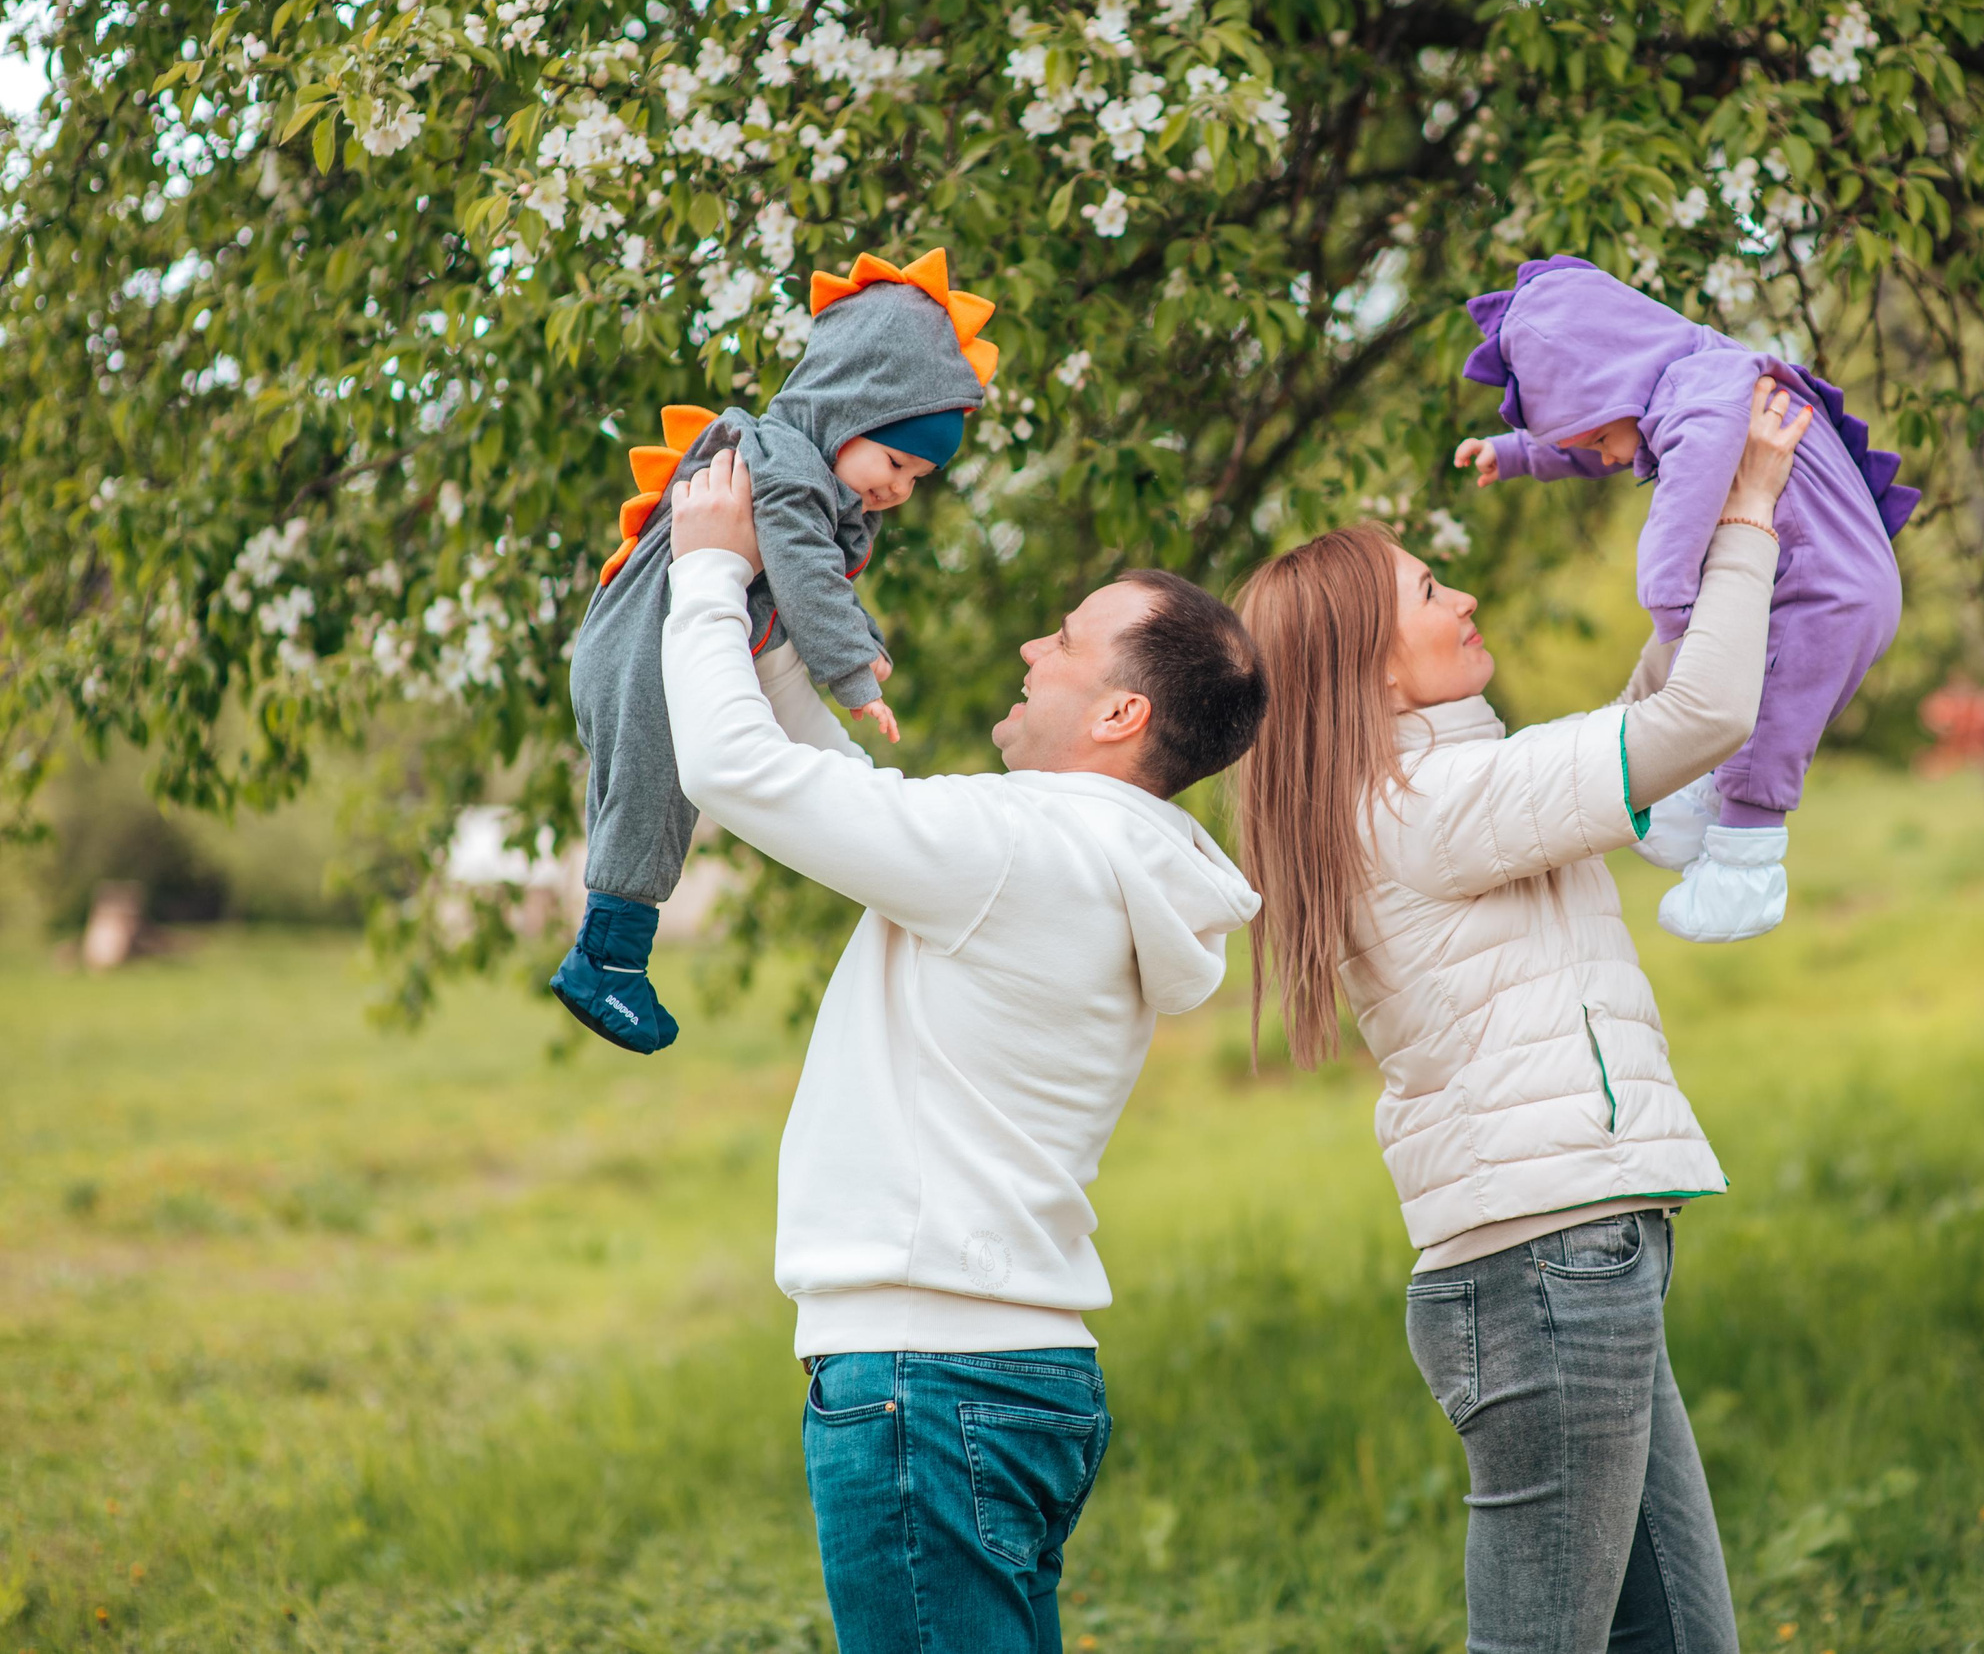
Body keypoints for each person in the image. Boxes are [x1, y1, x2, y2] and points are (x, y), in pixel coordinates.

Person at [659, 446, 1269, 1653]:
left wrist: (703, 577)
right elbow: (839, 794)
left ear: (1118, 712)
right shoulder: (1081, 857)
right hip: (1003, 1369)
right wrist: (775, 632)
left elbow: (734, 771)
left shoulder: (1017, 851)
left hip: (927, 1383)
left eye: (1065, 639)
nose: (1035, 649)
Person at [1233, 378, 1809, 1654]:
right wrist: (1753, 510)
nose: (1465, 598)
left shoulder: (1451, 787)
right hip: (1546, 1274)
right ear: (1368, 669)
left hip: (1578, 1261)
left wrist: (1702, 504)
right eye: (1431, 593)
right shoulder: (1428, 805)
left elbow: (1639, 720)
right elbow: (1701, 716)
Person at [554, 247, 999, 1052]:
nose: (899, 488)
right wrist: (855, 671)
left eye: (918, 478)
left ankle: (614, 953)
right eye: (895, 461)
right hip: (645, 650)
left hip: (676, 644)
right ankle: (606, 966)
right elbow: (804, 574)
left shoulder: (803, 474)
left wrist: (859, 637)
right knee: (654, 803)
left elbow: (818, 575)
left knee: (663, 797)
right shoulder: (786, 467)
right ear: (848, 407)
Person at [1450, 255, 1916, 944]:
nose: (1609, 459)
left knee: (1768, 732)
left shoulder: (1706, 401)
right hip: (1814, 576)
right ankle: (1690, 803)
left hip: (1825, 594)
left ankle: (1745, 872)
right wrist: (1517, 453)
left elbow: (1682, 509)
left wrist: (1672, 605)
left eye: (1599, 438)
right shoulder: (1686, 377)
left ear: (1611, 391)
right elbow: (1611, 432)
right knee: (1745, 705)